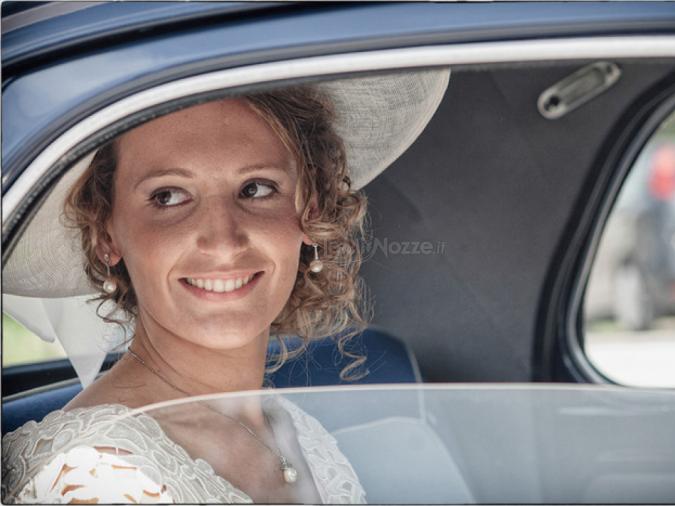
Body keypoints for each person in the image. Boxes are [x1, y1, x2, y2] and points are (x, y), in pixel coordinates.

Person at [1, 70, 450, 503]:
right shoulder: (93, 477)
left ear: (311, 210)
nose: (223, 241)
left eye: (256, 188)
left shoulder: (292, 428)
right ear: (106, 235)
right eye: (169, 196)